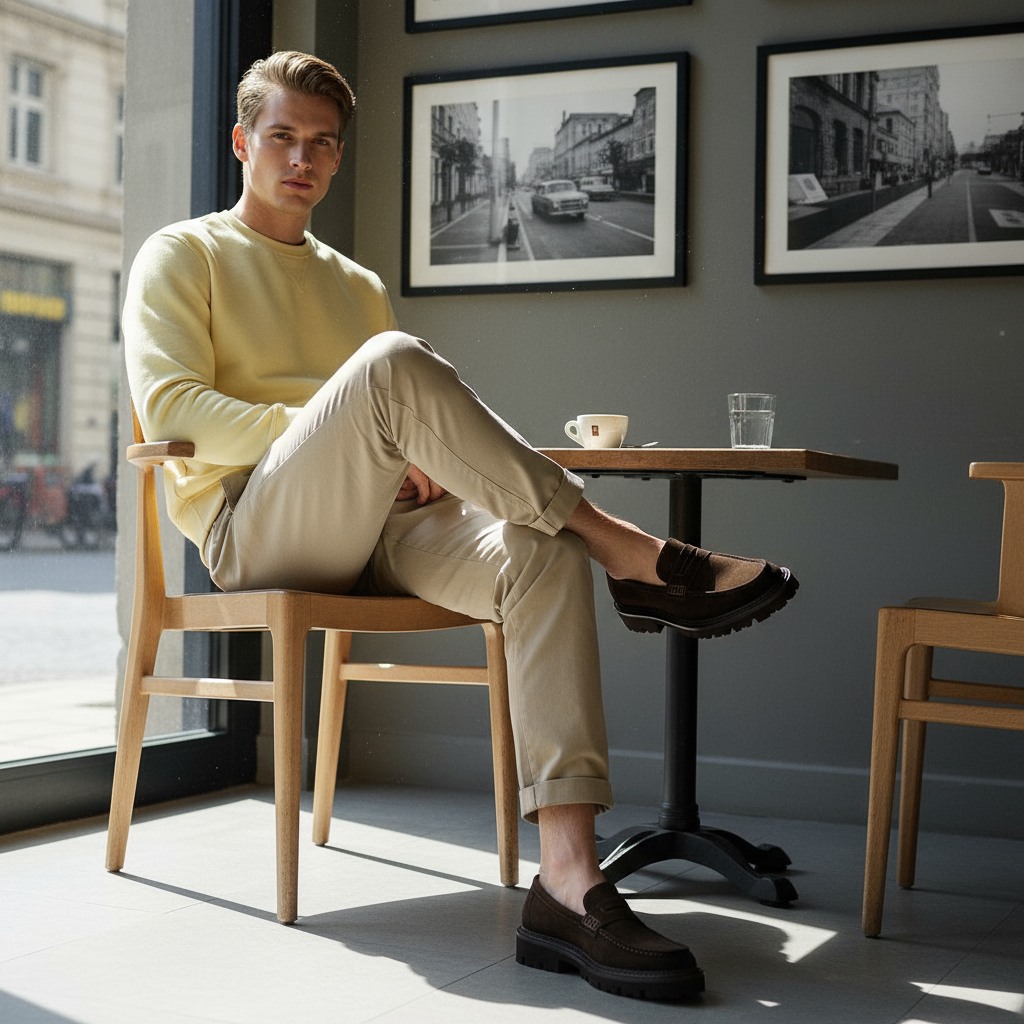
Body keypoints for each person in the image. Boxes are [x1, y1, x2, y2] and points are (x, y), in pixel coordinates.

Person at [123, 51, 798, 1002]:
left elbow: (392, 426)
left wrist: (412, 465)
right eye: (281, 136)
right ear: (242, 142)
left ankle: (568, 877)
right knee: (397, 363)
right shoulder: (183, 253)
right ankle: (634, 552)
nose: (301, 158)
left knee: (539, 550)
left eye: (322, 143)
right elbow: (174, 411)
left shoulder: (354, 283)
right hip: (254, 526)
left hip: (379, 526)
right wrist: (351, 438)